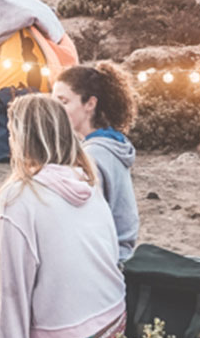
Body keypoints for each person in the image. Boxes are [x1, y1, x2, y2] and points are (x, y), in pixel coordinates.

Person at [0, 94, 127, 338]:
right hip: (113, 331)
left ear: (20, 139)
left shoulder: (19, 196)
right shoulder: (87, 180)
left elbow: (16, 294)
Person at [52, 62, 140, 261]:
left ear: (90, 104)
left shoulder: (93, 155)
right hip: (117, 250)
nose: (55, 110)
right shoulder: (111, 143)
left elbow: (81, 222)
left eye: (63, 102)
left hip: (106, 258)